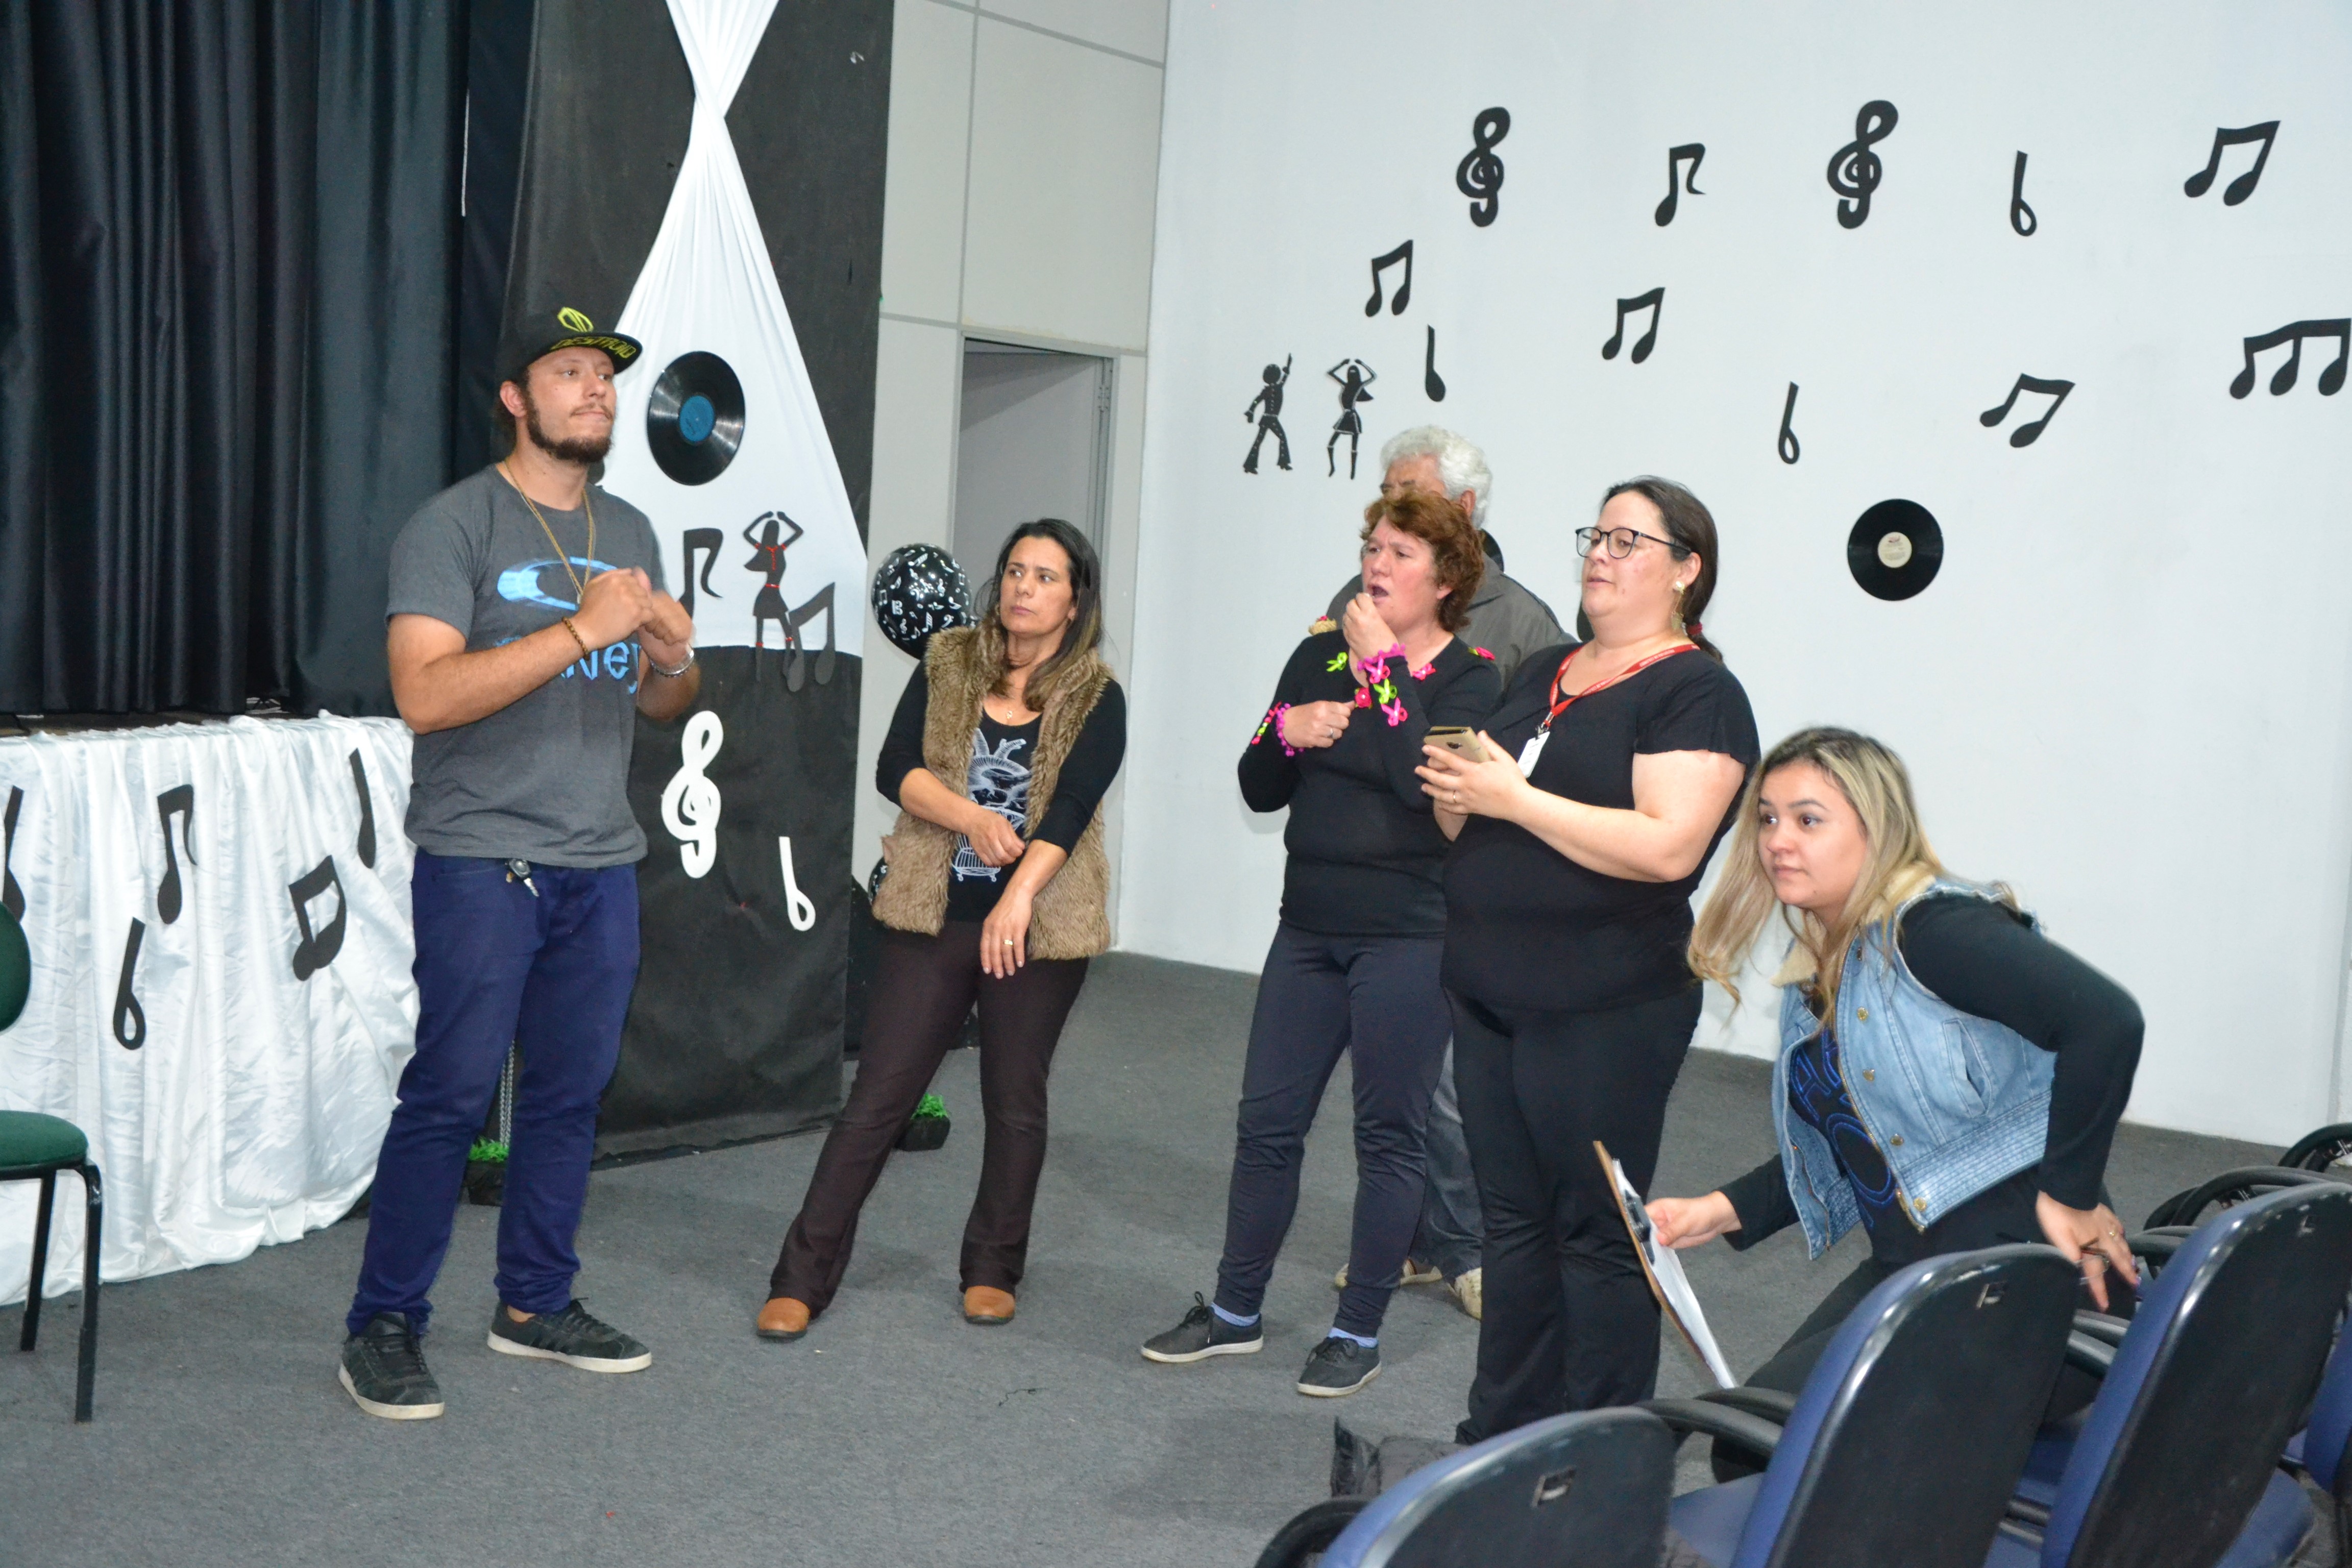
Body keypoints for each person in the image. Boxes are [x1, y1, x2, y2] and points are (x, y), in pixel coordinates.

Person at [340, 304, 700, 1421]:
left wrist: (671, 658)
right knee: (449, 1096)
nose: (596, 389)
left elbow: (663, 702)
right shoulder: (455, 526)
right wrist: (581, 629)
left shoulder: (629, 528)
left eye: (606, 375)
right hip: (483, 858)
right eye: (570, 372)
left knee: (569, 1098)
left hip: (601, 862)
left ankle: (535, 1303)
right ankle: (382, 1325)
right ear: (515, 398)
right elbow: (424, 695)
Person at [1648, 728, 2143, 1440]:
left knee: (1774, 1444)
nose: (1778, 840)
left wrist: (2071, 1194)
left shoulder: (1933, 929)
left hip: (2033, 1286)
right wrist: (1718, 1211)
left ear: (1876, 830)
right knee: (1748, 1440)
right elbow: (1868, 1143)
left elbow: (2107, 1022)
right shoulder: (1827, 960)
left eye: (1809, 820)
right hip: (1922, 1265)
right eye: (1769, 818)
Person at [1416, 476, 1757, 1441]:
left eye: (1626, 541)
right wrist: (1457, 791)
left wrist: (1513, 801)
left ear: (1686, 571)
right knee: (1515, 1225)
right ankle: (1502, 1437)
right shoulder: (1547, 670)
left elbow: (1668, 848)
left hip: (1604, 1006)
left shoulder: (1695, 691)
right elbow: (1469, 823)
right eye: (1595, 537)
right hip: (1491, 994)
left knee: (1597, 1236)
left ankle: (1601, 1455)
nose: (1599, 555)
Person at [1142, 488, 1501, 1398]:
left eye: (1401, 554)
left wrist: (1383, 672)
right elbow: (1258, 785)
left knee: (1389, 1138)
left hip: (1408, 939)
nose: (1376, 565)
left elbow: (1424, 788)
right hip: (1306, 930)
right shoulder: (1316, 654)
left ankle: (1357, 1330)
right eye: (1373, 547)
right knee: (1266, 1125)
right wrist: (1286, 730)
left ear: (1446, 582)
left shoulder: (1471, 680)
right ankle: (1235, 1314)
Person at [761, 519, 1125, 1338]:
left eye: (1047, 577)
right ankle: (801, 1277)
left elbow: (1071, 810)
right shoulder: (949, 661)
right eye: (1016, 571)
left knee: (1015, 1101)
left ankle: (993, 1268)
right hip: (933, 913)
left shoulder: (1098, 696)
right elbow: (896, 768)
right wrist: (972, 819)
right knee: (877, 1100)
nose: (1025, 588)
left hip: (1035, 925)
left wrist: (1017, 898)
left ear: (1075, 603)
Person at [1319, 425, 1565, 1322]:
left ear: (1461, 512)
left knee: (1455, 1087)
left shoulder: (1523, 621)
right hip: (1370, 874)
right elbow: (1321, 710)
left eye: (1410, 499)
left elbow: (1540, 753)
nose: (1389, 520)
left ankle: (1472, 1247)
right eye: (1385, 499)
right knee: (1391, 1078)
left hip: (1471, 875)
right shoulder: (1355, 600)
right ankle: (1415, 1238)